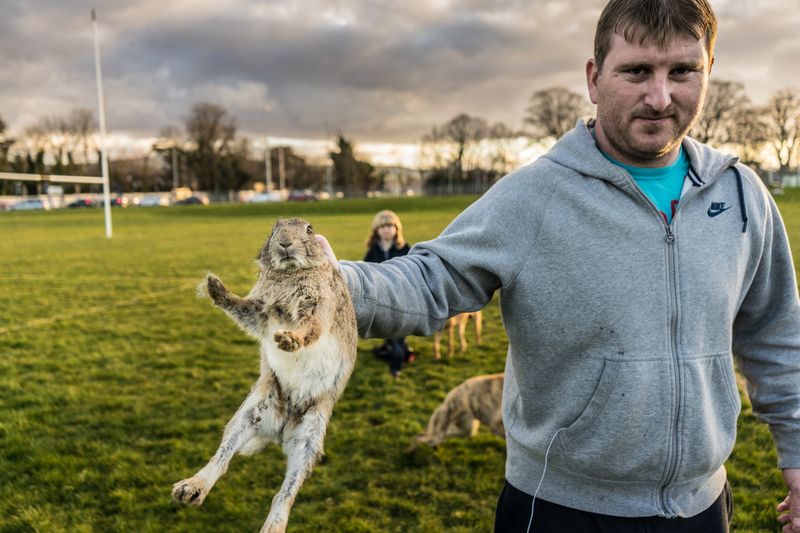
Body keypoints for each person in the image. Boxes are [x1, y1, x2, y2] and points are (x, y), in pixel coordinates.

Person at [316, 0, 800, 531]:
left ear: (707, 72)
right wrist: (327, 286)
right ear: (594, 79)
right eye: (636, 70)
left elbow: (775, 334)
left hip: (701, 506)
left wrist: (797, 453)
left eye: (682, 71)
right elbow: (431, 279)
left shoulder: (740, 194)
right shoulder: (535, 194)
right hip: (561, 508)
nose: (660, 97)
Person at [363, 210, 412, 377]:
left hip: (400, 299)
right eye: (382, 226)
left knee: (397, 333)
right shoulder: (373, 251)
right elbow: (366, 272)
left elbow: (411, 274)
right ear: (376, 230)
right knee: (387, 330)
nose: (386, 229)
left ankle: (395, 367)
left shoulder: (405, 249)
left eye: (390, 225)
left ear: (397, 228)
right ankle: (398, 350)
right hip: (380, 298)